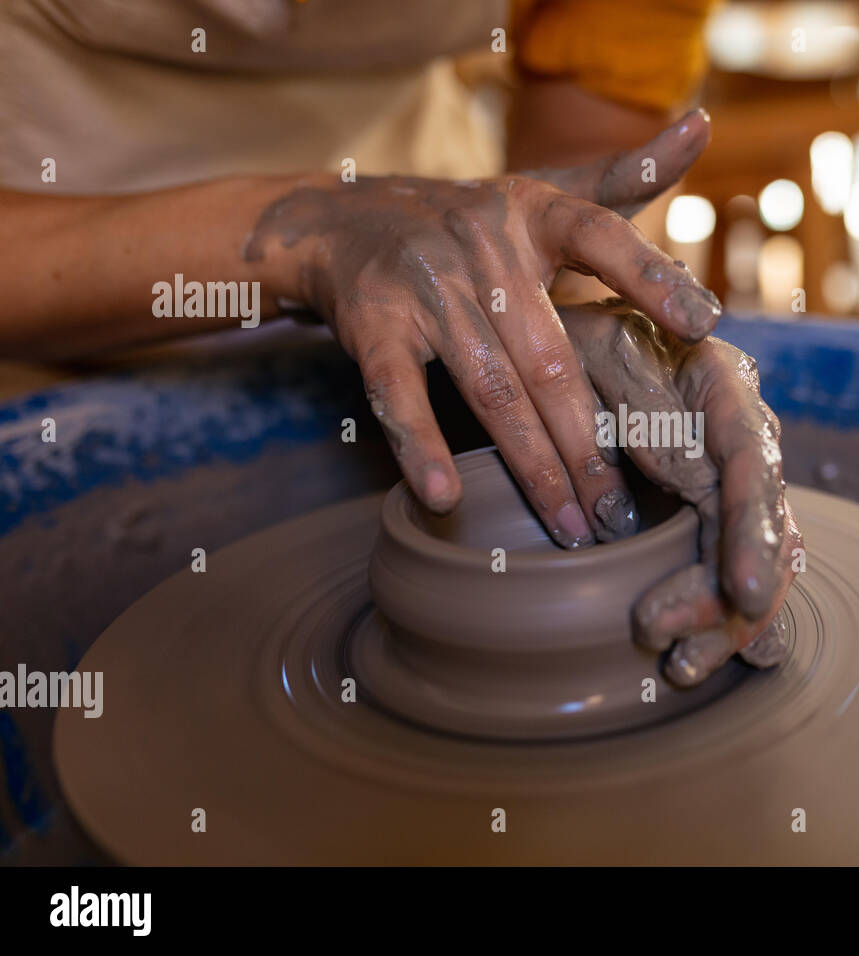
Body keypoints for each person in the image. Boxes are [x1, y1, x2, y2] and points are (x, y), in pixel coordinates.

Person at [0, 0, 798, 686]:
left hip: (421, 276)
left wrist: (582, 330)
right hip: (54, 289)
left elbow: (578, 174)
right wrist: (309, 234)